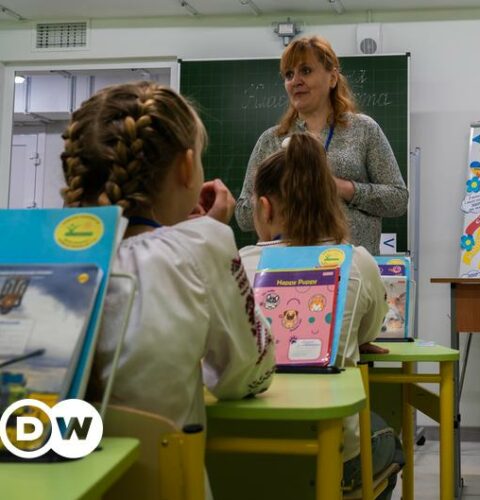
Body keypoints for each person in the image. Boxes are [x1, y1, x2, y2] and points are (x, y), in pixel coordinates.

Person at [61, 82, 276, 434]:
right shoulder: (202, 244)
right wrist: (207, 239)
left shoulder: (39, 258)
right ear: (187, 167)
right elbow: (250, 374)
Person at [239, 132, 403, 499]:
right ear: (331, 204)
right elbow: (368, 331)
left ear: (264, 208)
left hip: (240, 452)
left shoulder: (237, 264)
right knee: (389, 439)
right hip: (330, 457)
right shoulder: (357, 261)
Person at [235, 35, 408, 256]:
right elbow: (243, 215)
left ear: (333, 78)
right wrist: (288, 193)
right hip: (288, 273)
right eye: (289, 74)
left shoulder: (364, 130)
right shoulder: (271, 140)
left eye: (305, 71)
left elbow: (398, 200)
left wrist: (342, 188)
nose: (295, 80)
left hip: (352, 270)